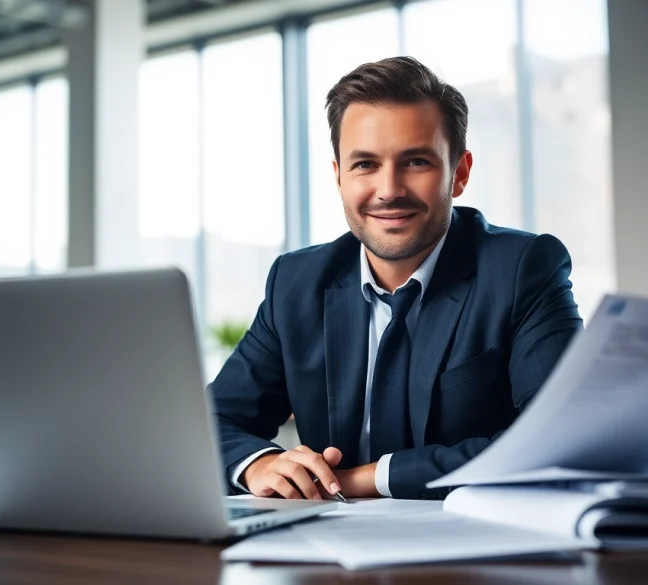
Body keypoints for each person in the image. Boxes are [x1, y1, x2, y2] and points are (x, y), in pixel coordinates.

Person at [211, 56, 578, 501]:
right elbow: (213, 421)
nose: (389, 190)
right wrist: (261, 465)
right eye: (365, 164)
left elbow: (559, 438)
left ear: (458, 173)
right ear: (338, 177)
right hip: (324, 555)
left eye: (416, 161)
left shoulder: (524, 268)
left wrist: (358, 480)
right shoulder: (295, 282)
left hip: (474, 552)